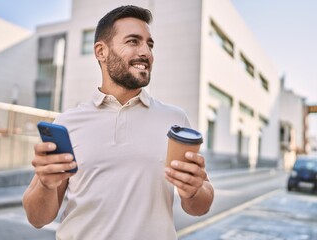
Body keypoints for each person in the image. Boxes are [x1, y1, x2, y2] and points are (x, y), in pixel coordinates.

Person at [23, 5, 214, 240]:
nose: (146, 52)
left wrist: (193, 190)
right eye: (133, 41)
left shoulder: (175, 120)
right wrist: (45, 184)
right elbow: (38, 218)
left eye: (150, 44)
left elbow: (199, 206)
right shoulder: (67, 123)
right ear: (101, 51)